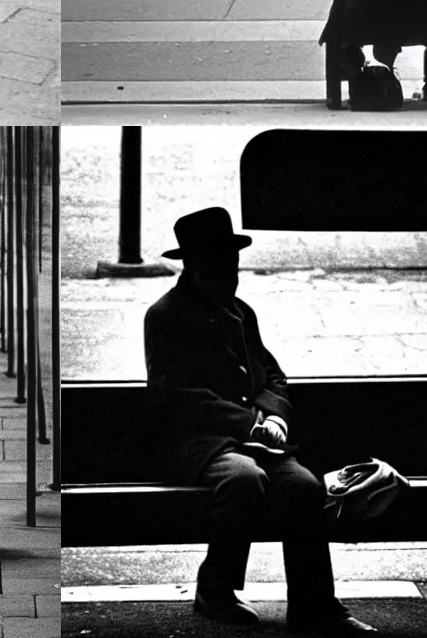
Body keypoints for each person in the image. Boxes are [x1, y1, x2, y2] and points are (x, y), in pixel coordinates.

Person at [144, 208, 376, 635]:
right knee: (243, 481)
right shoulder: (167, 315)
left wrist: (275, 416)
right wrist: (250, 422)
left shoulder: (240, 311)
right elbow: (175, 395)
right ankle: (215, 588)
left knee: (306, 487)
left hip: (257, 440)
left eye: (231, 263)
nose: (230, 273)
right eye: (219, 264)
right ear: (194, 266)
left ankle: (313, 604)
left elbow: (272, 375)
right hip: (201, 444)